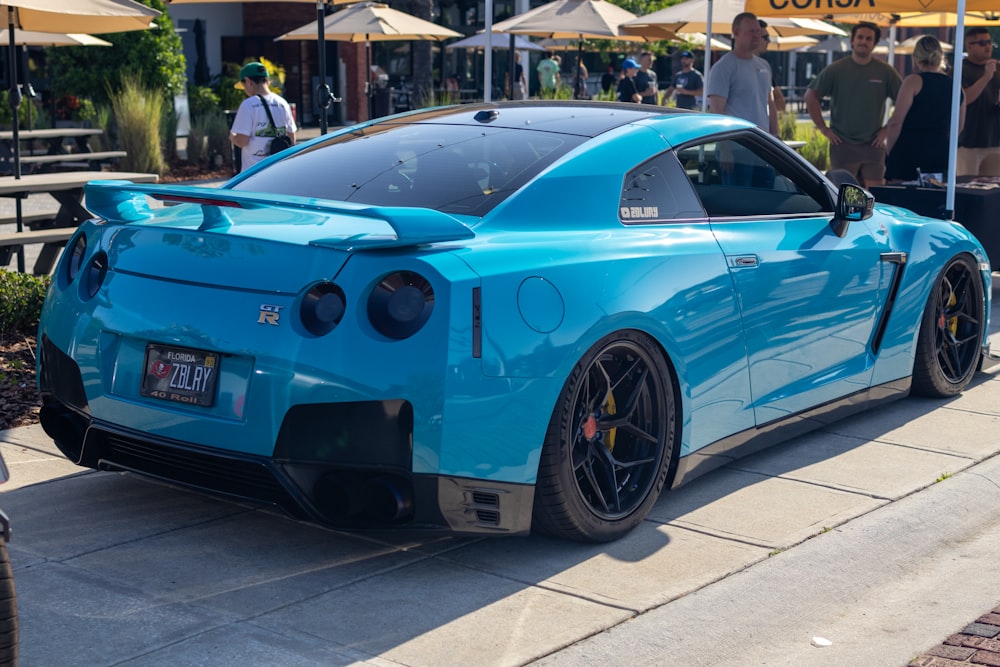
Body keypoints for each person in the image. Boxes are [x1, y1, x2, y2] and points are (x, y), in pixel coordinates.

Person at [805, 21, 902, 187]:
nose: (863, 41)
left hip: (873, 144)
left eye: (868, 39)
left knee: (877, 196)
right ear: (852, 41)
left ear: (874, 44)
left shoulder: (885, 71)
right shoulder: (836, 69)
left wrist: (887, 130)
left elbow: (904, 102)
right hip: (842, 144)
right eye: (860, 37)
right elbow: (810, 96)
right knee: (844, 195)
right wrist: (824, 129)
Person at [885, 36, 965, 182]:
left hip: (909, 149)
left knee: (901, 199)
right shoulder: (956, 86)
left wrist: (891, 151)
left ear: (915, 57)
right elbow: (958, 127)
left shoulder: (913, 81)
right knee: (933, 200)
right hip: (940, 151)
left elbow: (896, 122)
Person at [707, 12, 777, 135]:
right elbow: (716, 112)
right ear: (736, 32)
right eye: (751, 31)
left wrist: (776, 135)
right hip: (736, 143)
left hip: (763, 141)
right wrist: (726, 148)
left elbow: (770, 105)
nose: (756, 36)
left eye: (758, 31)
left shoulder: (764, 65)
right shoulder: (723, 67)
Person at [229, 61, 297, 173]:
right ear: (268, 81)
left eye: (244, 85)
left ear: (248, 81)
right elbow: (291, 136)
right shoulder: (282, 103)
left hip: (254, 171)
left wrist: (232, 137)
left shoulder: (248, 105)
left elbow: (242, 141)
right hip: (278, 169)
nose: (245, 90)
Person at [958, 27, 1000, 176]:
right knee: (966, 190)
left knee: (995, 192)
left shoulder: (997, 68)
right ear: (969, 46)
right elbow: (964, 100)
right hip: (969, 143)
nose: (988, 46)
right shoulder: (960, 69)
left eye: (989, 42)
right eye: (982, 43)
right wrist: (986, 77)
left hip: (995, 141)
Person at [756, 20, 786, 113]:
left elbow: (780, 104)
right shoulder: (727, 67)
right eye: (765, 37)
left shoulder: (764, 66)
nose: (769, 40)